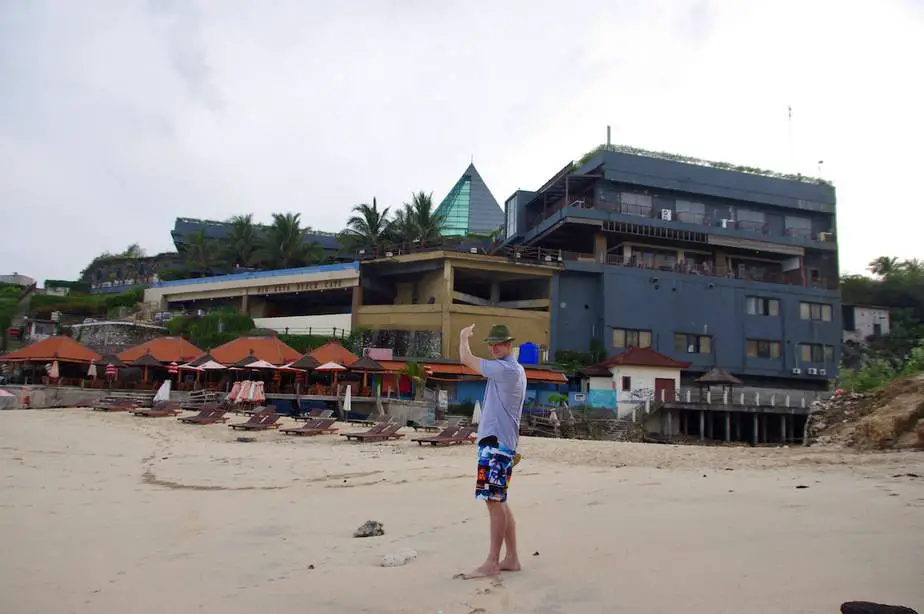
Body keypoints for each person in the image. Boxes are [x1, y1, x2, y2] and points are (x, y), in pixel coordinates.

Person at [457, 322, 527, 579]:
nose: (494, 347)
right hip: (500, 442)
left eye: (499, 343)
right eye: (492, 344)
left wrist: (463, 336)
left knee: (493, 500)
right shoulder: (513, 369)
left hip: (496, 443)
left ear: (509, 344)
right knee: (500, 500)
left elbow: (465, 358)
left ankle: (492, 562)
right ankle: (511, 558)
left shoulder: (506, 369)